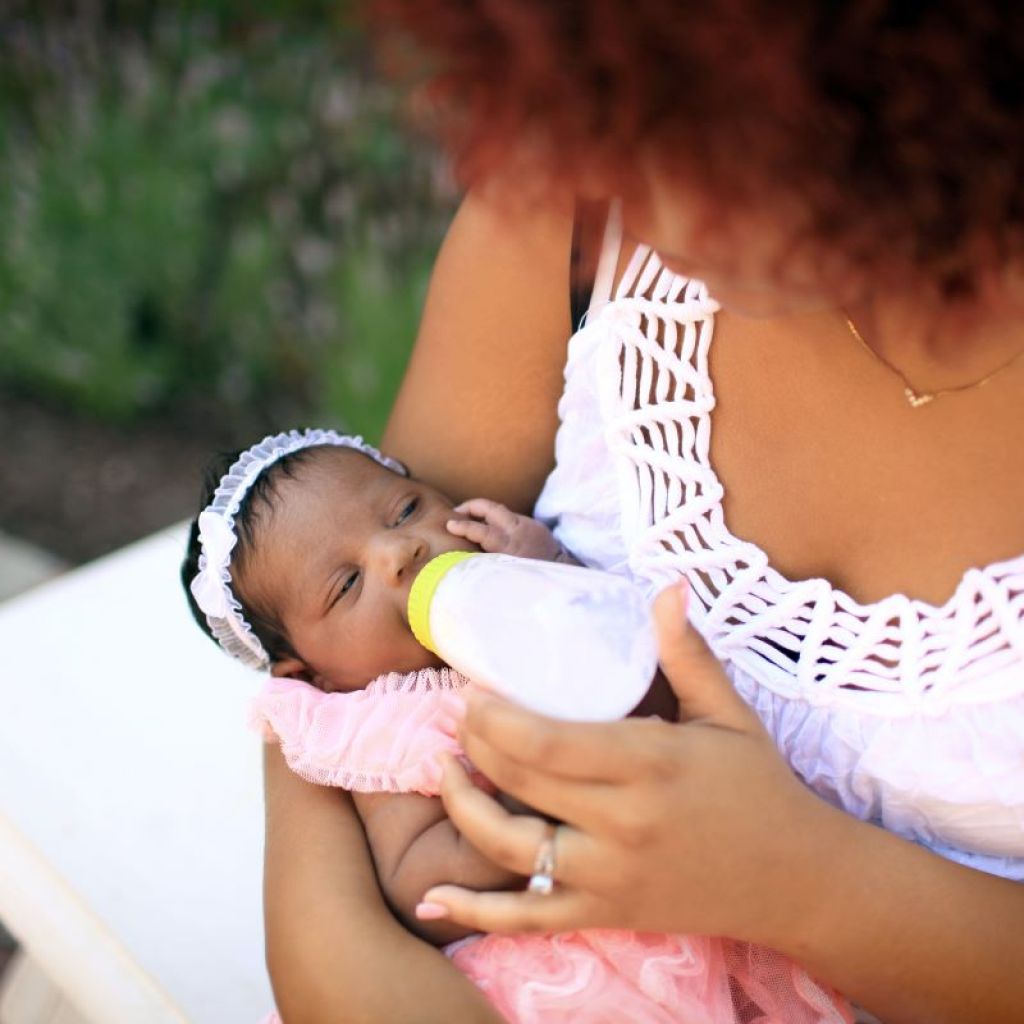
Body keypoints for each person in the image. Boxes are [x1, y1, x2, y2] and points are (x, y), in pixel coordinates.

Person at [263, 3, 1024, 1021]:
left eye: (695, 127)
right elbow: (336, 634)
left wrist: (803, 882)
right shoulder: (584, 178)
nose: (629, 184)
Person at [183, 428, 850, 1023]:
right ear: (311, 674)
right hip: (552, 967)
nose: (398, 552)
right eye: (346, 585)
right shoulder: (376, 725)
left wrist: (547, 563)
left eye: (406, 508)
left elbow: (618, 632)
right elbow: (416, 879)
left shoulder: (515, 588)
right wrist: (521, 805)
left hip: (682, 885)